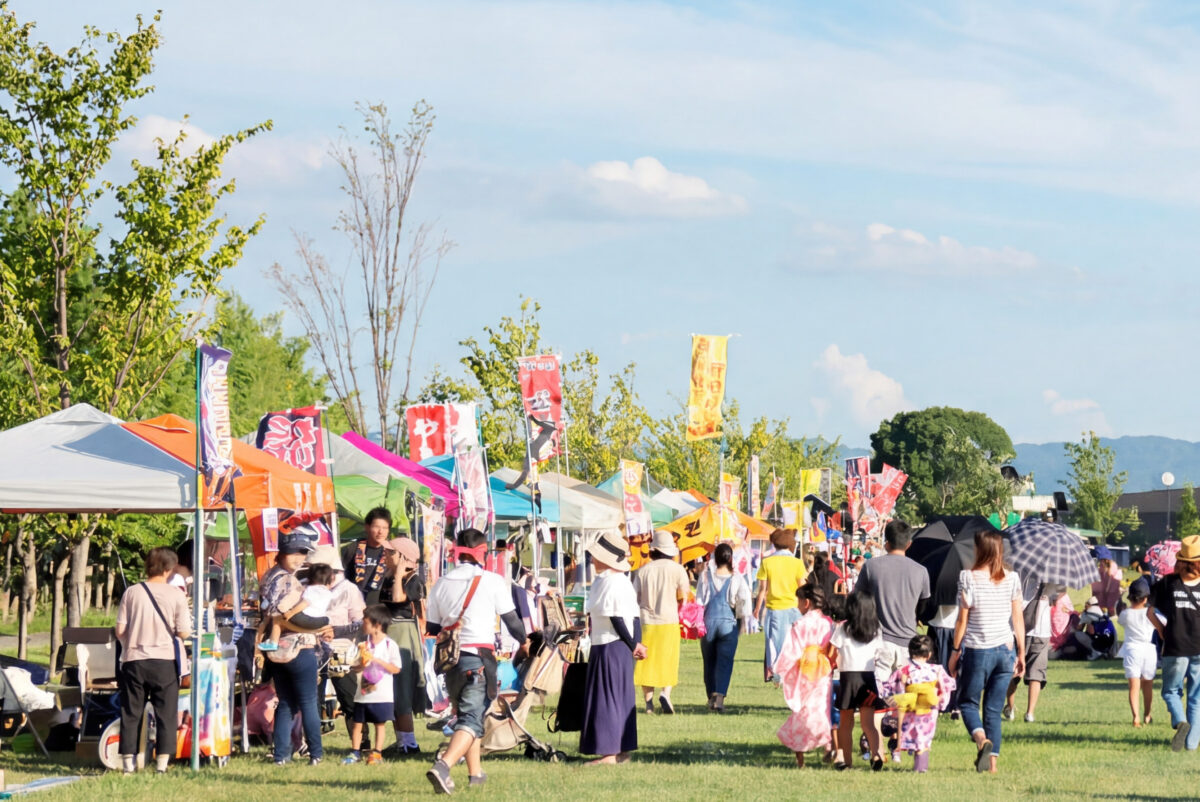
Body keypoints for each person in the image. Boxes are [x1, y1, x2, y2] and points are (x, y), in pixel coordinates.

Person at [425, 528, 529, 794]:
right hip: (479, 658)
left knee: (468, 717)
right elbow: (512, 621)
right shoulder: (492, 581)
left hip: (450, 661)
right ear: (483, 551)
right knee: (471, 719)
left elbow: (433, 628)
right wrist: (525, 641)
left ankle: (476, 774)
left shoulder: (441, 583)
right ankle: (444, 766)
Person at [948, 528, 1025, 774]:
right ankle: (992, 766)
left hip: (978, 649)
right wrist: (1022, 653)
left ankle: (981, 740)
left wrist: (954, 651)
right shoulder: (1012, 578)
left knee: (967, 702)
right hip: (1005, 649)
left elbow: (962, 620)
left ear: (979, 549)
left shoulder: (968, 578)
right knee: (993, 708)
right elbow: (1018, 618)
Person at [114, 546, 191, 775]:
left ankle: (128, 764)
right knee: (165, 713)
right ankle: (162, 765)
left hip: (134, 660)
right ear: (168, 569)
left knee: (131, 712)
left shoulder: (132, 592)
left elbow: (120, 630)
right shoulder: (176, 595)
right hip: (164, 661)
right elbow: (183, 632)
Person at [260, 533, 328, 766]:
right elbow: (286, 617)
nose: (299, 558)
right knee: (308, 702)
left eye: (303, 553)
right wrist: (320, 625)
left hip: (276, 649)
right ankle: (316, 754)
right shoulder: (288, 581)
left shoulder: (269, 575)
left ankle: (280, 755)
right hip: (298, 646)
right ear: (282, 553)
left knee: (286, 702)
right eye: (294, 552)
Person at [580, 530, 646, 765]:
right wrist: (635, 644)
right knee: (620, 697)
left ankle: (609, 753)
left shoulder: (611, 582)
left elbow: (617, 618)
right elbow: (633, 617)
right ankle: (621, 749)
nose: (592, 559)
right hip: (614, 645)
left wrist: (633, 644)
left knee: (607, 699)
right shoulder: (616, 581)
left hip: (610, 645)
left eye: (595, 555)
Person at [853, 521, 929, 699]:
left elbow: (858, 599)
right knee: (905, 700)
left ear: (886, 543)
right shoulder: (921, 571)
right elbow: (923, 604)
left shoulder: (871, 567)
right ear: (909, 544)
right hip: (909, 641)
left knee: (879, 698)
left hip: (879, 641)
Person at [1148, 535, 1200, 752]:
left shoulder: (1167, 583)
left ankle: (1180, 721)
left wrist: (1162, 631)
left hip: (1175, 645)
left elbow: (1150, 613)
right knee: (1196, 698)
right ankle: (1191, 745)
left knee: (1171, 691)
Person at [773, 583, 834, 768]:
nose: (797, 605)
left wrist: (779, 672)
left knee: (801, 710)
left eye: (799, 601)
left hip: (805, 671)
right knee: (822, 709)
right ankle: (828, 744)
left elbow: (791, 651)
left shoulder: (800, 624)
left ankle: (800, 756)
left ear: (806, 602)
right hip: (823, 668)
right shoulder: (828, 622)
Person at [310, 545, 365, 740]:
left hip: (340, 652)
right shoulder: (308, 587)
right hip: (312, 649)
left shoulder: (349, 589)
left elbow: (360, 623)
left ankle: (361, 742)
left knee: (349, 698)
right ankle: (311, 743)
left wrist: (336, 631)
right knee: (311, 700)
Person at [632, 530, 690, 714]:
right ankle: (666, 693)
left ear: (653, 550)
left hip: (646, 621)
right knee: (669, 659)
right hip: (669, 619)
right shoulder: (678, 569)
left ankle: (649, 704)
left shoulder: (643, 570)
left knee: (646, 661)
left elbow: (635, 597)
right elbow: (684, 597)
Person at [881, 635, 955, 773]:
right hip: (928, 710)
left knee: (912, 735)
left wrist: (895, 699)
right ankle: (921, 767)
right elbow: (946, 687)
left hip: (909, 711)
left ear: (910, 652)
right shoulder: (937, 670)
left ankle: (915, 764)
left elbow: (888, 689)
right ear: (929, 654)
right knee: (923, 738)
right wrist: (940, 702)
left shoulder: (904, 670)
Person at [830, 591, 885, 771]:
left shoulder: (843, 628)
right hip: (867, 678)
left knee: (846, 724)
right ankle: (876, 755)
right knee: (868, 724)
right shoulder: (876, 629)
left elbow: (832, 652)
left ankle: (846, 760)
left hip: (848, 678)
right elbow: (879, 654)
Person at [383, 535, 427, 756]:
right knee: (391, 690)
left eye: (391, 552)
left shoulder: (413, 580)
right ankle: (401, 741)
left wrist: (399, 573)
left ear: (403, 557)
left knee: (401, 688)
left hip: (403, 636)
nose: (386, 555)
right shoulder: (389, 577)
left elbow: (399, 599)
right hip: (388, 633)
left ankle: (410, 743)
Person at [696, 543, 752, 712]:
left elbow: (699, 600)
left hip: (708, 622)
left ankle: (710, 696)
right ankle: (719, 698)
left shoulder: (705, 576)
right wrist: (741, 619)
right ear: (730, 559)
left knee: (709, 661)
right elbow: (744, 600)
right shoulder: (737, 578)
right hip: (728, 623)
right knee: (725, 661)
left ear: (715, 558)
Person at [343, 604, 402, 765]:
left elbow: (396, 668)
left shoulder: (389, 645)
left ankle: (377, 752)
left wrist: (376, 660)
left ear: (377, 625)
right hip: (363, 693)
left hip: (381, 694)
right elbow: (356, 667)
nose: (363, 624)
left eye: (366, 621)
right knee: (357, 723)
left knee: (379, 724)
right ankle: (355, 752)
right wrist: (360, 664)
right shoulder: (364, 644)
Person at [755, 529, 808, 683]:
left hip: (775, 608)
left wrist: (757, 609)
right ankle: (794, 671)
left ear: (775, 544)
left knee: (776, 643)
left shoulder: (767, 562)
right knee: (795, 642)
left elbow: (762, 590)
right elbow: (802, 587)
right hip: (795, 607)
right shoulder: (797, 563)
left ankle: (778, 673)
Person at [1004, 577, 1055, 723]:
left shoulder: (1021, 573)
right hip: (1041, 630)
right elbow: (1054, 599)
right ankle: (1030, 713)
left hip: (1019, 627)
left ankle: (1010, 708)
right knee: (1036, 673)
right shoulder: (1053, 576)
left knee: (1014, 669)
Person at [260, 562, 334, 650]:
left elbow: (305, 603)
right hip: (320, 621)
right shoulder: (328, 593)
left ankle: (273, 643)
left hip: (306, 618)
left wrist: (291, 613)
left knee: (277, 619)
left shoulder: (312, 589)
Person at [342, 507, 399, 605]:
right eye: (376, 527)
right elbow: (343, 576)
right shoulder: (353, 548)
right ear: (367, 527)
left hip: (379, 607)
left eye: (385, 528)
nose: (380, 532)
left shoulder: (392, 552)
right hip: (354, 604)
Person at [1119, 578, 1156, 728]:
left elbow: (1121, 621)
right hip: (1148, 650)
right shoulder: (1151, 612)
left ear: (1130, 597)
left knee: (1134, 686)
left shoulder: (1126, 614)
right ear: (1146, 598)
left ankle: (1136, 717)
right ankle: (1147, 714)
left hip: (1131, 649)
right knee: (1148, 685)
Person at [1092, 546, 1123, 616]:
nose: (1100, 561)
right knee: (1101, 602)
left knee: (1110, 604)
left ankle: (1111, 614)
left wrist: (1107, 589)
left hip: (1112, 589)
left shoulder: (1112, 565)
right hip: (1104, 588)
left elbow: (1110, 578)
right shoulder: (1102, 565)